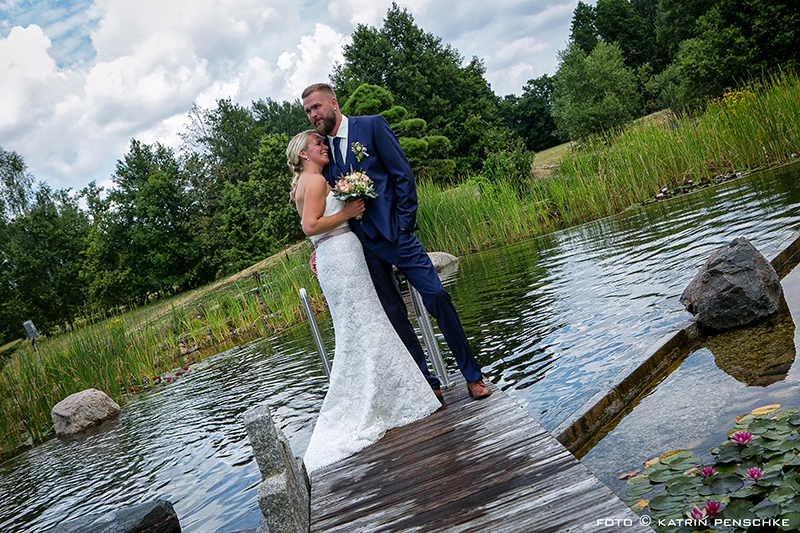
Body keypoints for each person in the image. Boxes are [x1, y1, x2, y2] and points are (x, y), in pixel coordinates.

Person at [301, 82, 492, 401]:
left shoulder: (372, 125)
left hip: (397, 235)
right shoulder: (324, 151)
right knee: (394, 315)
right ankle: (428, 384)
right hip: (361, 245)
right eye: (308, 111)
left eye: (316, 107)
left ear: (333, 103)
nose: (313, 115)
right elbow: (320, 204)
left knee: (436, 296)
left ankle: (473, 377)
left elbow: (402, 175)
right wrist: (317, 247)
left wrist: (404, 226)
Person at [288, 130, 441, 473]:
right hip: (340, 256)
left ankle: (378, 391)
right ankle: (381, 395)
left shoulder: (310, 180)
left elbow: (314, 228)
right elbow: (310, 225)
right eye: (318, 145)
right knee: (364, 321)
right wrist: (350, 211)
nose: (324, 147)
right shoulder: (313, 182)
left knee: (360, 325)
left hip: (337, 254)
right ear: (304, 155)